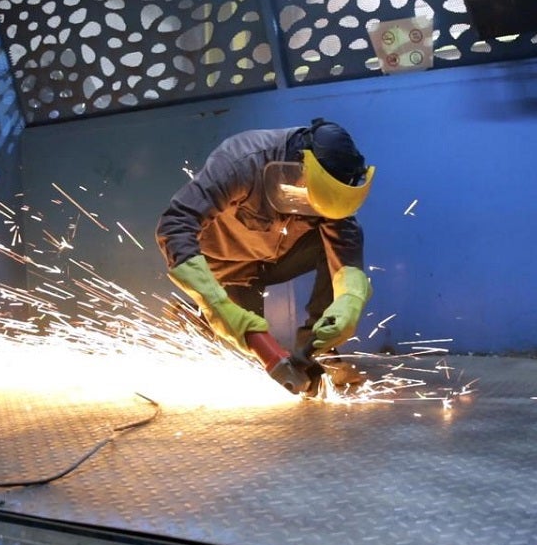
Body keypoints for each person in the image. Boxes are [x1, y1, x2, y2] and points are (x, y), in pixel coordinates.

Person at [156, 117, 375, 386]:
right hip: (228, 265)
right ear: (299, 166)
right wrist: (218, 306)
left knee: (335, 245)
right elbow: (174, 225)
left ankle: (317, 351)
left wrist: (349, 301)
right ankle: (200, 313)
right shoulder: (242, 160)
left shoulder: (333, 176)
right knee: (246, 348)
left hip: (275, 260)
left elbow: (346, 245)